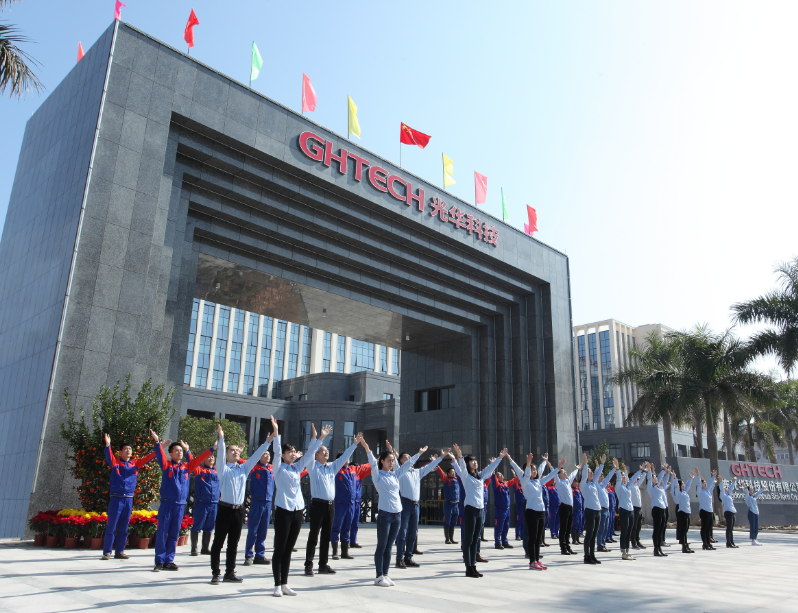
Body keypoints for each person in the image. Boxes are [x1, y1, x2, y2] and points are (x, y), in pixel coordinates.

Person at [210, 424, 274, 584]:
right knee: (218, 543)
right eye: (232, 451)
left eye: (237, 451)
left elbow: (255, 457)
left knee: (233, 543)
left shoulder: (243, 469)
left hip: (239, 511)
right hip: (225, 509)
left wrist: (267, 442)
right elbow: (220, 454)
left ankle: (229, 572)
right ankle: (216, 573)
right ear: (227, 454)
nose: (236, 452)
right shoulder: (223, 469)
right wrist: (221, 439)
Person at [269, 416, 320, 597]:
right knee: (280, 549)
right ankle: (277, 584)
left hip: (297, 511)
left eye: (293, 451)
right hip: (283, 511)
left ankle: (285, 583)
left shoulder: (296, 468)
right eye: (289, 452)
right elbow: (276, 451)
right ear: (283, 455)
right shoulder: (278, 467)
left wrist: (317, 438)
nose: (292, 454)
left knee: (289, 549)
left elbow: (309, 456)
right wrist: (276, 432)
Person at [362, 437, 422, 587]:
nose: (391, 463)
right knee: (381, 546)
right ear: (382, 461)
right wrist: (366, 446)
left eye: (393, 461)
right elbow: (372, 461)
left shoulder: (395, 475)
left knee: (389, 546)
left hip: (397, 515)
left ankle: (385, 574)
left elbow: (406, 465)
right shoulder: (378, 475)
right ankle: (378, 576)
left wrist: (419, 454)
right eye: (389, 460)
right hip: (385, 515)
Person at [304, 424, 362, 576]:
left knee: (326, 536)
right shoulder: (312, 467)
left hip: (330, 506)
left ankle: (323, 564)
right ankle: (308, 564)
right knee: (314, 536)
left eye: (327, 451)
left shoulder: (331, 467)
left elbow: (343, 457)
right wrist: (320, 438)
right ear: (317, 454)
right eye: (323, 451)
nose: (326, 453)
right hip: (317, 505)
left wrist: (354, 444)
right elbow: (309, 453)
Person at [150, 430, 212, 572]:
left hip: (180, 505)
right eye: (176, 451)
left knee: (174, 534)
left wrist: (211, 449)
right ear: (170, 453)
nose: (179, 452)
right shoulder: (166, 465)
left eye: (180, 451)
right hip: (167, 504)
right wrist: (157, 442)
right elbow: (159, 454)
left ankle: (169, 560)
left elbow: (198, 459)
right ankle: (159, 560)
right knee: (162, 533)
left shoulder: (186, 467)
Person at [451, 443, 505, 578]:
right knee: (468, 540)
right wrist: (459, 455)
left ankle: (473, 566)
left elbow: (490, 468)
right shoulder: (466, 476)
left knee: (476, 540)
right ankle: (468, 567)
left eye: (475, 461)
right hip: (470, 510)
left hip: (480, 510)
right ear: (468, 464)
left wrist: (500, 458)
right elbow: (462, 466)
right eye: (472, 461)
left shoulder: (480, 476)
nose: (475, 463)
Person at [388, 441, 443, 569]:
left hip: (416, 505)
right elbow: (397, 462)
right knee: (402, 532)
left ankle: (408, 557)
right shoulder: (400, 471)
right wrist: (392, 451)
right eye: (406, 457)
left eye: (410, 456)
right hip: (405, 504)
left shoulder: (417, 472)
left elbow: (430, 467)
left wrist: (441, 457)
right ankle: (399, 558)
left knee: (413, 533)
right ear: (401, 461)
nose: (409, 458)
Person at [101, 434, 156, 560]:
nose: (128, 450)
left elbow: (149, 458)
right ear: (120, 452)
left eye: (130, 449)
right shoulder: (116, 462)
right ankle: (107, 552)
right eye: (125, 449)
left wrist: (159, 447)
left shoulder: (135, 464)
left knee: (124, 527)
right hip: (116, 498)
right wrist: (108, 445)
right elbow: (109, 456)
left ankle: (119, 551)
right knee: (111, 525)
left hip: (129, 499)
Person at [508, 452, 556, 570]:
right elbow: (517, 467)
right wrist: (512, 459)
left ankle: (537, 560)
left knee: (538, 537)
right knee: (532, 537)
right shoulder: (525, 481)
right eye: (532, 470)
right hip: (531, 511)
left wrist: (555, 466)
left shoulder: (538, 482)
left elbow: (547, 474)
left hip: (541, 511)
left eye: (535, 470)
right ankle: (532, 561)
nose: (535, 472)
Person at [331, 456, 371, 559]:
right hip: (340, 504)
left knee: (347, 528)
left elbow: (367, 466)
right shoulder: (335, 469)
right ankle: (335, 552)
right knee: (336, 527)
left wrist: (377, 460)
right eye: (344, 457)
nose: (347, 459)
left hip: (351, 504)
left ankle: (345, 552)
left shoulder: (353, 469)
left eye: (348, 457)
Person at [243, 446, 274, 566]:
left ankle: (260, 555)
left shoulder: (272, 468)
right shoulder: (254, 467)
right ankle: (248, 555)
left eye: (268, 454)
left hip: (268, 502)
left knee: (263, 530)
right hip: (257, 501)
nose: (267, 456)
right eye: (264, 454)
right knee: (253, 529)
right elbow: (242, 462)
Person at [190, 442, 219, 557]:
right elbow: (192, 461)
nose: (211, 458)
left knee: (209, 526)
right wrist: (188, 451)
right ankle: (194, 548)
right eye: (208, 457)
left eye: (212, 457)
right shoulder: (199, 469)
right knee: (197, 525)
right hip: (202, 503)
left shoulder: (217, 470)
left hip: (214, 503)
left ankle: (205, 548)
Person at [580, 452, 606, 564]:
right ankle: (587, 556)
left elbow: (598, 473)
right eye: (589, 472)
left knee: (594, 534)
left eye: (591, 472)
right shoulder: (583, 485)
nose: (591, 474)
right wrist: (586, 464)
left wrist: (602, 464)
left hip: (597, 510)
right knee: (589, 534)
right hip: (590, 511)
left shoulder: (593, 484)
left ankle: (592, 555)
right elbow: (584, 476)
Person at [551, 457, 579, 556]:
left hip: (570, 508)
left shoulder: (567, 481)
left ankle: (568, 546)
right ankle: (563, 548)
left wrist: (576, 469)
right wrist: (559, 467)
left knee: (568, 529)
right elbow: (554, 473)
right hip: (564, 507)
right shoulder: (559, 482)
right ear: (559, 474)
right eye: (563, 471)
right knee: (563, 528)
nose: (565, 472)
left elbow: (572, 475)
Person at [613, 460, 641, 560]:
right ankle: (623, 552)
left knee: (629, 531)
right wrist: (618, 469)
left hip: (630, 510)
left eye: (624, 475)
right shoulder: (618, 487)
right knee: (624, 532)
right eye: (622, 476)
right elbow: (619, 478)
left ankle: (627, 551)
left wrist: (640, 471)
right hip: (624, 510)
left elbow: (632, 479)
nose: (624, 477)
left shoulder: (627, 486)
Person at [491, 471, 520, 549]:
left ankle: (505, 542)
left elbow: (513, 481)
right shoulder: (497, 485)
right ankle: (497, 542)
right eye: (499, 475)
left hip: (507, 509)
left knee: (506, 526)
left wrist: (520, 475)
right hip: (500, 509)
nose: (501, 475)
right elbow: (494, 480)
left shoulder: (506, 484)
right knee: (499, 526)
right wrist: (493, 474)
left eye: (501, 474)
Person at [647, 464, 670, 557]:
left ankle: (660, 548)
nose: (656, 479)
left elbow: (659, 478)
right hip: (656, 509)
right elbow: (650, 478)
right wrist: (649, 470)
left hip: (662, 509)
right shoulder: (650, 488)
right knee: (656, 530)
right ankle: (656, 549)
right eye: (654, 478)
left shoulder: (658, 487)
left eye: (656, 477)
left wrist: (663, 470)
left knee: (661, 529)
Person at [595, 458, 616, 554]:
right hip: (602, 509)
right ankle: (600, 545)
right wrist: (600, 465)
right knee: (601, 528)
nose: (602, 477)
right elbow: (597, 474)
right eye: (601, 476)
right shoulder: (596, 485)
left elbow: (608, 477)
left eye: (602, 476)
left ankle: (603, 544)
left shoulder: (603, 486)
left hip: (607, 510)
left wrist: (614, 469)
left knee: (605, 528)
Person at [436, 464, 460, 544]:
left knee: (454, 522)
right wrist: (436, 464)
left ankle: (451, 538)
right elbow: (441, 473)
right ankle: (447, 539)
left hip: (456, 505)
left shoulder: (457, 480)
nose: (453, 473)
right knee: (447, 521)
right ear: (448, 473)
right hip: (449, 504)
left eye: (454, 472)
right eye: (452, 472)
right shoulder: (446, 480)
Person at [695, 467, 718, 551]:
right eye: (703, 483)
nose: (705, 484)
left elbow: (711, 484)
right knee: (704, 528)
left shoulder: (707, 491)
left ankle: (708, 543)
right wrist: (698, 475)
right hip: (704, 511)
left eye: (705, 483)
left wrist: (713, 477)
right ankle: (704, 543)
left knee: (709, 528)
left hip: (710, 512)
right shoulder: (700, 492)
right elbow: (698, 483)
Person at [673, 470, 695, 554]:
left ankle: (686, 545)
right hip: (682, 513)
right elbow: (676, 486)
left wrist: (690, 479)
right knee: (683, 530)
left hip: (687, 512)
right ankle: (684, 546)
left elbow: (688, 485)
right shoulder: (678, 493)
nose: (684, 485)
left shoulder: (684, 492)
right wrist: (675, 478)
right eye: (682, 484)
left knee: (686, 530)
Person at [350, 462, 367, 548]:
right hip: (350, 502)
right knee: (347, 523)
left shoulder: (360, 476)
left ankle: (353, 541)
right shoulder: (349, 476)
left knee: (355, 523)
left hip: (357, 501)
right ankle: (345, 541)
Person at [629, 463, 646, 549]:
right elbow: (634, 478)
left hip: (639, 508)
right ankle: (633, 542)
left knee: (639, 526)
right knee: (634, 526)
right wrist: (640, 471)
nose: (637, 479)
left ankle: (637, 540)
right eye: (636, 478)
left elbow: (642, 479)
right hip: (634, 508)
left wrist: (645, 472)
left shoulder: (636, 486)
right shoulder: (630, 485)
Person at [719, 475, 739, 548]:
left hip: (732, 512)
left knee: (731, 529)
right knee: (729, 528)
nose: (725, 488)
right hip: (728, 512)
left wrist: (734, 482)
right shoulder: (722, 495)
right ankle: (728, 542)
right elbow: (721, 488)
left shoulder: (728, 494)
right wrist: (721, 481)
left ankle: (732, 542)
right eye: (724, 487)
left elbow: (731, 488)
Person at [513, 474, 526, 542]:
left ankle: (522, 535)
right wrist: (515, 475)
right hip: (519, 506)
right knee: (519, 520)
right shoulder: (517, 486)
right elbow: (514, 482)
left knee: (524, 521)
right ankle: (518, 535)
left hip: (524, 505)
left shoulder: (524, 487)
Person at [571, 479, 584, 545]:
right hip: (575, 509)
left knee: (579, 524)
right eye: (574, 482)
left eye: (577, 482)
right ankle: (574, 540)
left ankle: (577, 539)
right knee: (575, 524)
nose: (576, 484)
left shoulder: (578, 490)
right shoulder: (571, 490)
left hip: (579, 509)